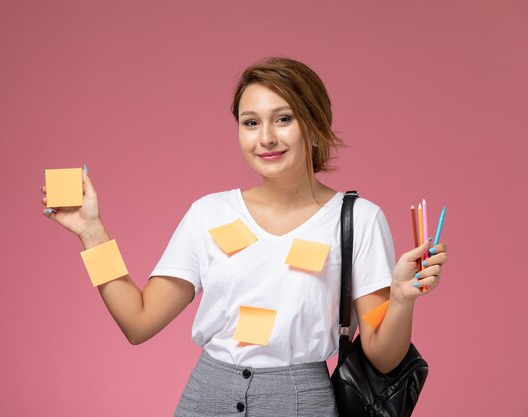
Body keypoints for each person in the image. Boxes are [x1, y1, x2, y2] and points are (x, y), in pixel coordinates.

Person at [39, 57, 448, 416]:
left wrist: (400, 299)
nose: (265, 137)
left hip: (302, 401)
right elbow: (138, 321)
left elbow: (382, 353)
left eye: (283, 119)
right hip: (207, 397)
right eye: (251, 123)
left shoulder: (358, 218)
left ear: (315, 124)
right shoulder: (209, 213)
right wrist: (92, 232)